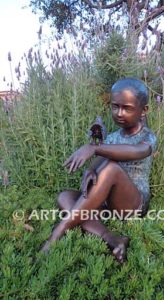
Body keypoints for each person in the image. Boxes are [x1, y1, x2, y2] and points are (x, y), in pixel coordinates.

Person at [41, 77, 157, 263]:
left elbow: (137, 151)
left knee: (111, 169)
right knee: (65, 196)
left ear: (144, 111)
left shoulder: (147, 138)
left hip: (133, 205)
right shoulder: (111, 138)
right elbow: (95, 166)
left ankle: (57, 234)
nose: (119, 113)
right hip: (107, 204)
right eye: (115, 106)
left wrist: (94, 148)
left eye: (127, 108)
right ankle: (112, 238)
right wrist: (90, 173)